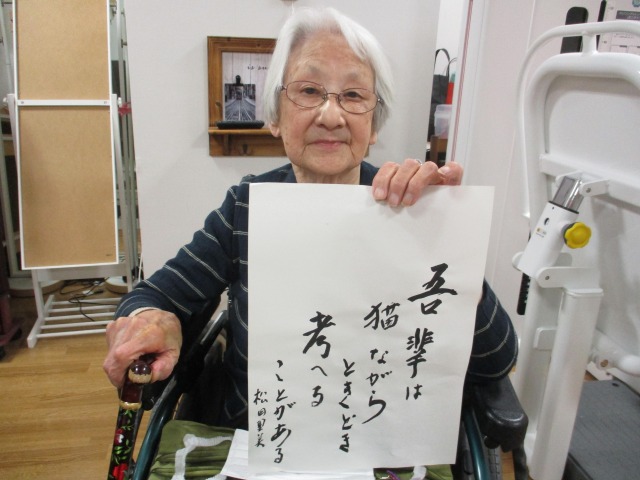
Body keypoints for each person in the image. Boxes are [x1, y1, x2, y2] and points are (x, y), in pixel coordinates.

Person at [103, 7, 516, 435]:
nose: (331, 116)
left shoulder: (413, 210)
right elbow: (155, 295)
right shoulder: (245, 208)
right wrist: (153, 321)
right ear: (276, 117)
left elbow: (497, 359)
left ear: (374, 125)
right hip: (260, 434)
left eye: (353, 95)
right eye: (309, 90)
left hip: (384, 437)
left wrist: (448, 243)